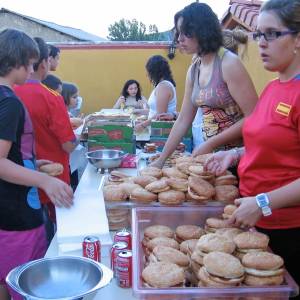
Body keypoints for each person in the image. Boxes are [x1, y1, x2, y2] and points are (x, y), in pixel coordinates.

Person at [205, 0, 300, 294]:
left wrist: (263, 202)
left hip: (289, 232)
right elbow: (272, 148)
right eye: (258, 34)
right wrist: (233, 154)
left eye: (271, 34)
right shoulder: (273, 88)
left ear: (298, 39)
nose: (261, 43)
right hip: (254, 221)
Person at [0, 29, 73, 300]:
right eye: (30, 64)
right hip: (18, 214)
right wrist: (45, 180)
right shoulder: (10, 103)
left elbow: (9, 154)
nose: (32, 70)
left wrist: (31, 164)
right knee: (23, 281)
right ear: (16, 62)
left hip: (6, 208)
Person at [151, 3, 257, 168]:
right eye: (178, 33)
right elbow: (183, 120)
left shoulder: (229, 64)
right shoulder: (194, 70)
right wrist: (161, 159)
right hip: (213, 160)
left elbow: (254, 116)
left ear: (203, 30)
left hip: (240, 159)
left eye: (186, 32)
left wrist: (211, 143)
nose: (180, 39)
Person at [15, 37, 77, 223]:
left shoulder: (10, 92)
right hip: (52, 179)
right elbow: (68, 145)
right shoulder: (52, 97)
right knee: (54, 233)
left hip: (18, 177)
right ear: (43, 62)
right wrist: (78, 139)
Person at [192, 29, 249, 148]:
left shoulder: (231, 67)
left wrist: (210, 144)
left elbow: (253, 115)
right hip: (210, 148)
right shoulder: (197, 69)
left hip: (234, 152)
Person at [135, 55, 177, 132]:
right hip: (156, 129)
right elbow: (154, 110)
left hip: (160, 131)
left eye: (148, 71)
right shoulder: (162, 85)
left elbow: (160, 115)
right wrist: (138, 111)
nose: (147, 74)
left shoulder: (163, 87)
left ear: (154, 71)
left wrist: (142, 125)